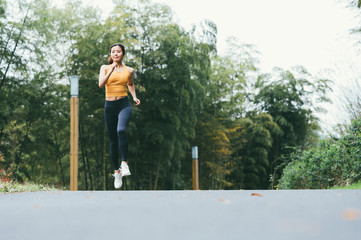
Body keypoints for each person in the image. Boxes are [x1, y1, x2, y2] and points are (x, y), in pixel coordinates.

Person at [98, 43, 141, 189]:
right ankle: (117, 172)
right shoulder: (105, 68)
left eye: (118, 52)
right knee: (112, 140)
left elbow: (130, 84)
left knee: (121, 130)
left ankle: (124, 163)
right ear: (111, 54)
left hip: (124, 104)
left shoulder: (129, 70)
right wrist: (111, 70)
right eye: (113, 52)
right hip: (109, 107)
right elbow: (101, 84)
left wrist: (134, 97)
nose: (116, 54)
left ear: (123, 54)